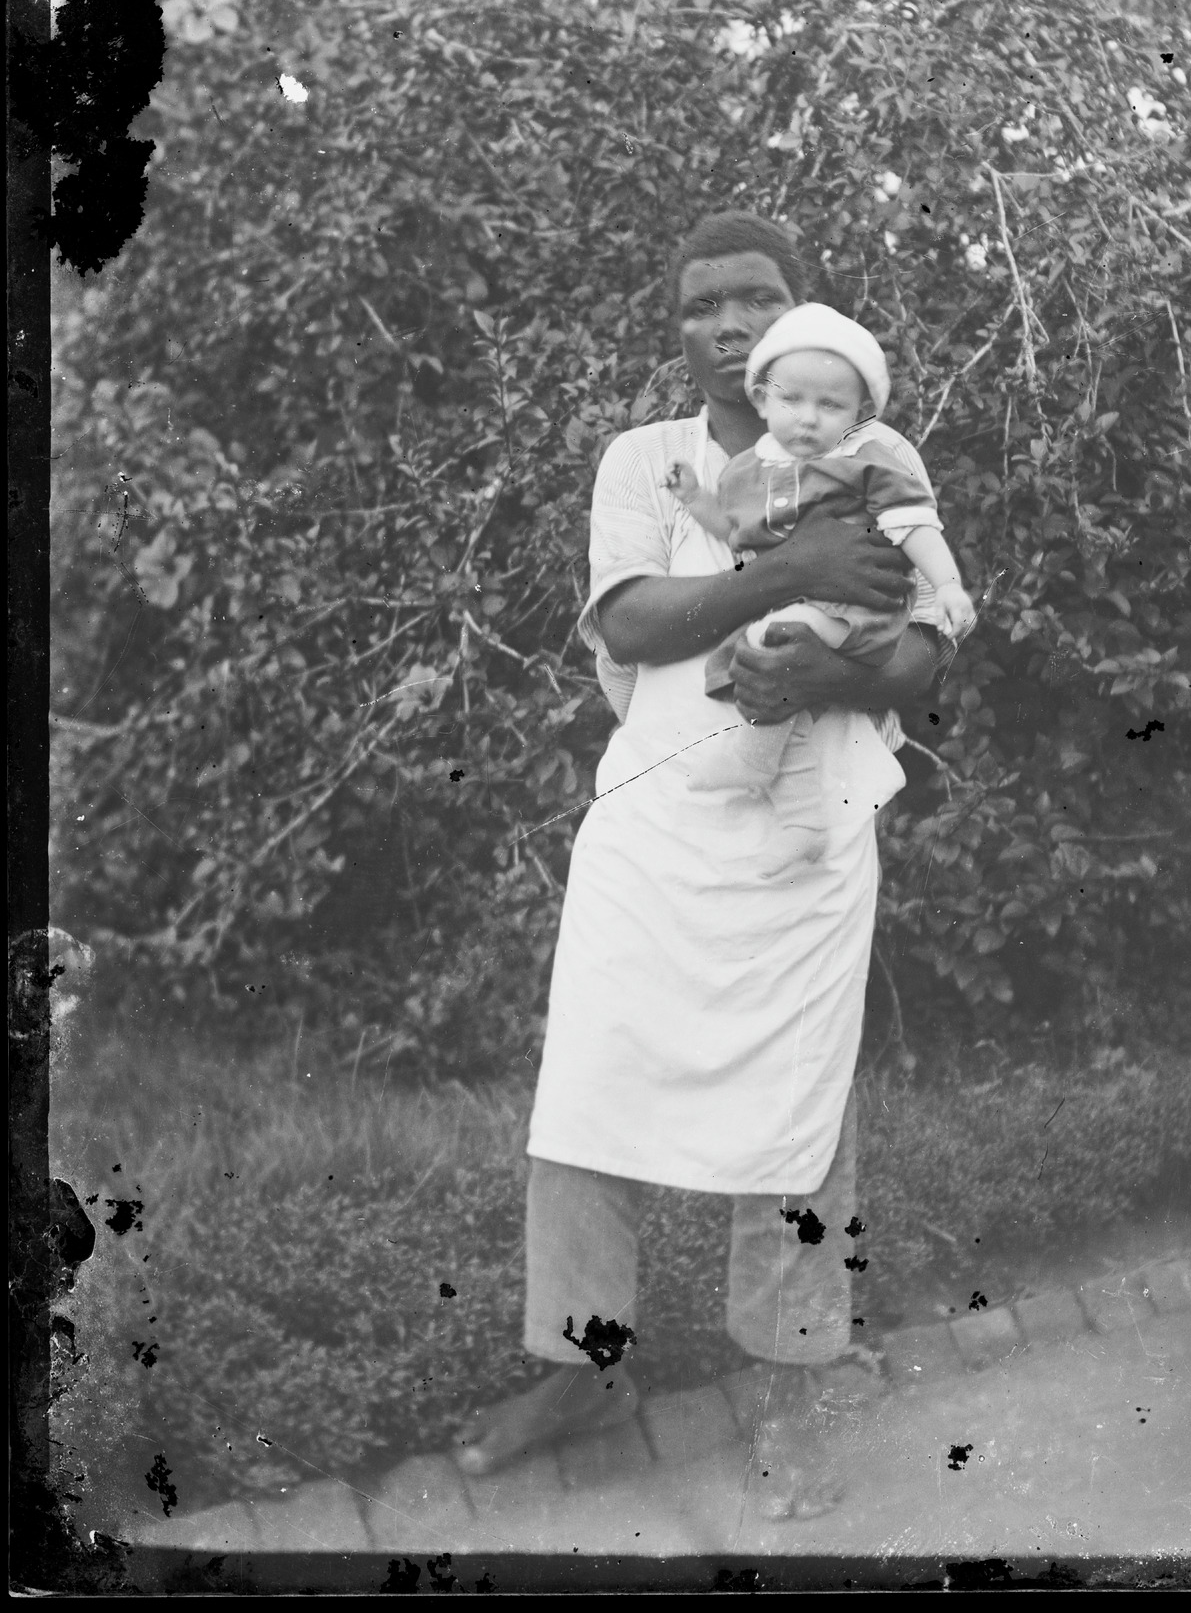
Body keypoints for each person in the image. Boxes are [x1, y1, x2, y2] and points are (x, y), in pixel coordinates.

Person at [451, 212, 944, 1519]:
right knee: (589, 1091)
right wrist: (793, 569)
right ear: (678, 328)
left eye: (756, 298)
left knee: (796, 1117)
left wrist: (822, 670)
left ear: (803, 317)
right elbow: (630, 619)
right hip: (656, 826)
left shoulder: (877, 459)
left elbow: (927, 647)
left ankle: (785, 1392)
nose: (729, 325)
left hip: (804, 839)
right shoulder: (647, 460)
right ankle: (583, 1369)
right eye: (702, 305)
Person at [662, 299, 976, 851]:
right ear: (762, 399)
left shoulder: (866, 460)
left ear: (858, 413)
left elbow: (913, 522)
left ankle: (753, 762)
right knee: (776, 675)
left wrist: (948, 585)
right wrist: (694, 498)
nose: (808, 418)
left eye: (830, 405)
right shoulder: (746, 471)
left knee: (771, 644)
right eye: (792, 400)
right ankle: (803, 822)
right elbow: (733, 530)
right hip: (803, 610)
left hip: (859, 611)